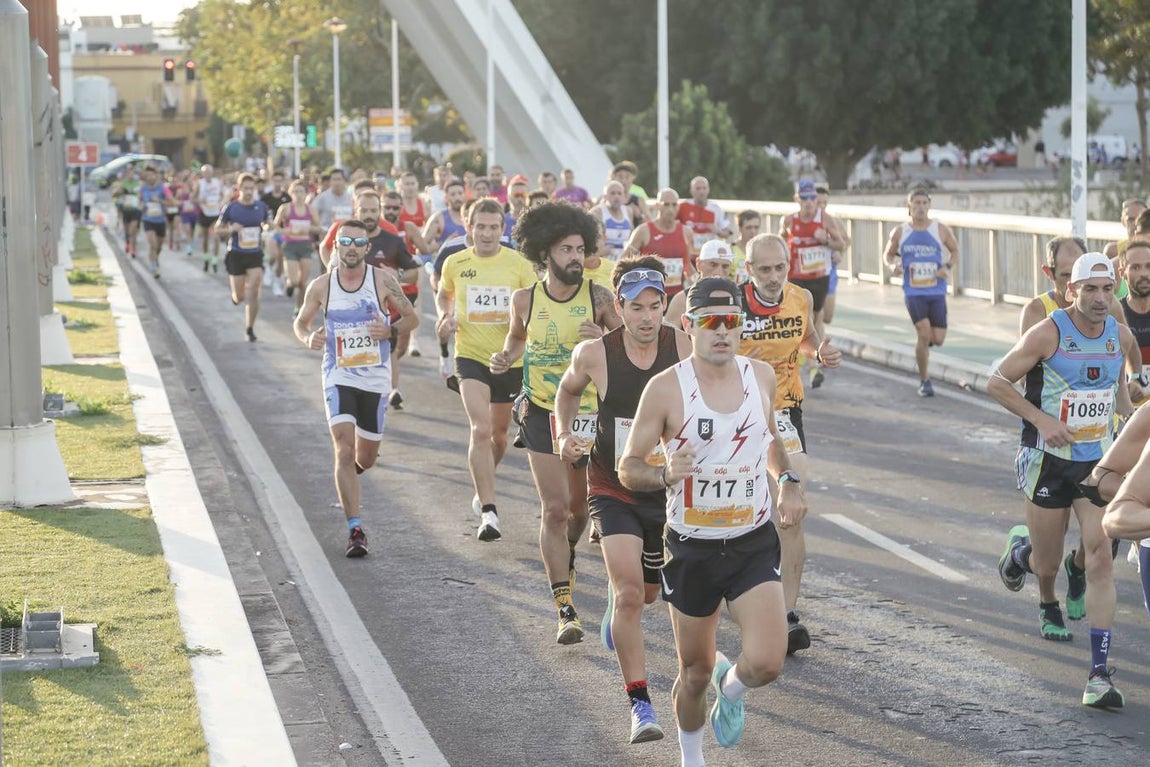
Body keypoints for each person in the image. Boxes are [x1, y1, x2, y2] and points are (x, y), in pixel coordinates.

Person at [619, 277, 806, 767]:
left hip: (751, 541)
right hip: (693, 547)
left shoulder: (760, 376)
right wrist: (662, 473)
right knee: (694, 672)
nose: (722, 332)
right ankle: (692, 757)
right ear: (688, 325)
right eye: (710, 322)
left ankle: (734, 688)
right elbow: (628, 466)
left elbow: (767, 437)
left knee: (767, 661)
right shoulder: (665, 389)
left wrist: (786, 479)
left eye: (731, 322)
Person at [555, 257, 692, 742]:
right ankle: (641, 706)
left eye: (656, 306)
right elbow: (566, 393)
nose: (648, 317)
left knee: (649, 591)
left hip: (667, 485)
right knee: (631, 592)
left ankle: (626, 598)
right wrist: (564, 433)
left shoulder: (684, 345)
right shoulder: (595, 353)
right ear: (620, 307)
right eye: (637, 308)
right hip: (612, 484)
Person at [990, 253, 1135, 708]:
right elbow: (996, 381)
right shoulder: (1048, 332)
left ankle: (1098, 674)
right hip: (1048, 460)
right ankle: (1025, 559)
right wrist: (1040, 419)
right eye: (1088, 289)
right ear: (1071, 290)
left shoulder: (1121, 336)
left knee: (1101, 558)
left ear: (1115, 291)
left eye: (1106, 289)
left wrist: (1130, 429)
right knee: (1047, 564)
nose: (1098, 298)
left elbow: (1121, 396)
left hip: (1097, 464)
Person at [491, 201, 621, 644]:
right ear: (544, 253)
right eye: (566, 249)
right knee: (555, 508)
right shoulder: (525, 299)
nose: (575, 258)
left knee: (581, 511)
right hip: (543, 410)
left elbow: (629, 351)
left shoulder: (599, 297)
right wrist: (507, 355)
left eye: (580, 249)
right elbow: (515, 336)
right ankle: (564, 606)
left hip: (592, 417)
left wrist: (605, 338)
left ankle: (567, 553)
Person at [736, 233, 841, 654]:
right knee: (743, 508)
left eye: (780, 267)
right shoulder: (732, 302)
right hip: (736, 409)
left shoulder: (799, 297)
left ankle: (786, 614)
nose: (774, 277)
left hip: (784, 409)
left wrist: (819, 353)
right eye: (764, 269)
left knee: (791, 504)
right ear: (748, 270)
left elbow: (808, 337)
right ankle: (742, 591)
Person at [292, 218, 418, 557]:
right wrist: (309, 338)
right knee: (343, 448)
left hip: (375, 379)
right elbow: (301, 323)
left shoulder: (383, 281)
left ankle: (347, 478)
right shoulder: (321, 286)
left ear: (366, 249)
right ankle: (355, 529)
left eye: (358, 243)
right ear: (335, 246)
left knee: (366, 458)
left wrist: (388, 330)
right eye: (344, 241)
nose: (351, 248)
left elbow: (412, 319)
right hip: (338, 374)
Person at [437, 198, 538, 541]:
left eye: (494, 227)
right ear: (469, 227)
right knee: (480, 430)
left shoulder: (519, 265)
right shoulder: (455, 262)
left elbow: (531, 316)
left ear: (503, 229)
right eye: (480, 226)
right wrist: (446, 315)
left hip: (510, 360)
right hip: (471, 357)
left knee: (498, 436)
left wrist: (513, 352)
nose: (487, 233)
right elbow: (444, 293)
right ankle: (489, 513)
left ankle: (484, 484)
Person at [883, 189, 959, 397]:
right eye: (916, 203)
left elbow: (955, 251)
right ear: (909, 207)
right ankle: (925, 380)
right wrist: (893, 266)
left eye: (924, 203)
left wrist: (948, 268)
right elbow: (888, 255)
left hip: (936, 291)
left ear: (929, 206)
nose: (920, 207)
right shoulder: (900, 232)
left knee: (939, 338)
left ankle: (924, 346)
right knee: (924, 334)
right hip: (913, 292)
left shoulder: (939, 229)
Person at [780, 179, 845, 389]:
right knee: (801, 317)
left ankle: (811, 358)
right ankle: (812, 365)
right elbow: (780, 244)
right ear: (797, 199)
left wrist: (825, 241)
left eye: (812, 198)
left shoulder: (825, 219)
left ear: (816, 199)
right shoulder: (788, 221)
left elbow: (840, 244)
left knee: (816, 318)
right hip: (797, 277)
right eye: (804, 198)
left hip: (819, 277)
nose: (808, 202)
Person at [215, 173, 270, 342]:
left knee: (254, 291)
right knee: (239, 297)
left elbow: (267, 223)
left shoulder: (261, 206)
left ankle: (250, 328)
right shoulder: (231, 208)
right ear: (239, 189)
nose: (248, 191)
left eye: (251, 188)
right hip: (236, 254)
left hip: (254, 254)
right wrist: (232, 229)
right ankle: (237, 297)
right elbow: (218, 229)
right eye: (245, 188)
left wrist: (267, 227)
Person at [623, 187, 694, 297]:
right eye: (666, 204)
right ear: (657, 206)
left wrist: (699, 284)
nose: (670, 209)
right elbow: (623, 261)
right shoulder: (644, 231)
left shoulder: (686, 232)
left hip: (675, 295)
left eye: (674, 205)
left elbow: (688, 265)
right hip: (649, 294)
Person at [274, 180, 321, 313]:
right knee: (294, 281)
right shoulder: (285, 208)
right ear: (291, 193)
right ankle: (289, 283)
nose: (299, 194)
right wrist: (285, 231)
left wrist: (309, 228)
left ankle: (298, 309)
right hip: (290, 245)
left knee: (302, 283)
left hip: (305, 245)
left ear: (306, 193)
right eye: (295, 191)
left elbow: (318, 228)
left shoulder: (310, 209)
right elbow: (276, 225)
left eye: (301, 191)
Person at [665, 239, 734, 325]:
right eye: (713, 264)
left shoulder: (736, 298)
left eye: (725, 266)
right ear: (698, 264)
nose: (718, 272)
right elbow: (668, 336)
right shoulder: (682, 300)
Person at [816, 186, 849, 325]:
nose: (822, 206)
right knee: (813, 316)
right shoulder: (799, 221)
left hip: (829, 272)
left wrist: (839, 253)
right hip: (805, 274)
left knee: (827, 317)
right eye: (819, 203)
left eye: (825, 203)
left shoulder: (833, 222)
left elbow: (845, 242)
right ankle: (815, 345)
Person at [676, 176, 733, 253]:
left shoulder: (716, 208)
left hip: (708, 254)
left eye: (704, 188)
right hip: (688, 252)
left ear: (708, 190)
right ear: (691, 191)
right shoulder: (682, 206)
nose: (701, 191)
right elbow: (671, 227)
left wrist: (718, 231)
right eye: (698, 188)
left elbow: (727, 233)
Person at [1105, 198, 1146, 302]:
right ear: (1123, 221)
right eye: (1131, 219)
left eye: (1140, 219)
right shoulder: (1113, 253)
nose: (1135, 224)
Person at [137, 165, 171, 279]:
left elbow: (171, 202)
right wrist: (141, 206)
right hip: (148, 219)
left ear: (156, 176)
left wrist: (160, 201)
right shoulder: (142, 188)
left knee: (159, 247)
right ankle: (154, 266)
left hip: (160, 220)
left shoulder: (163, 188)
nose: (150, 177)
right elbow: (139, 202)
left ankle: (155, 259)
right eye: (148, 175)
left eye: (153, 175)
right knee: (153, 244)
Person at [194, 164, 226, 272]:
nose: (207, 174)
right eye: (205, 172)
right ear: (203, 174)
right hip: (204, 212)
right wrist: (199, 201)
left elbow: (223, 195)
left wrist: (221, 201)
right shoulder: (199, 184)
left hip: (215, 213)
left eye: (209, 172)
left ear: (212, 173)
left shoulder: (217, 182)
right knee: (205, 238)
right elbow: (192, 198)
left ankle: (215, 260)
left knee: (216, 236)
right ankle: (206, 258)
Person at [592, 180, 634, 261]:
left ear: (624, 196)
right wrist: (599, 252)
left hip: (623, 261)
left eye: (619, 193)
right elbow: (588, 241)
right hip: (603, 260)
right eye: (612, 193)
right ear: (605, 196)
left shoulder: (628, 211)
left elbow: (632, 237)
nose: (616, 196)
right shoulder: (597, 212)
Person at [729, 210, 761, 282]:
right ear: (740, 228)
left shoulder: (763, 251)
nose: (753, 231)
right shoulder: (730, 250)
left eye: (756, 227)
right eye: (749, 227)